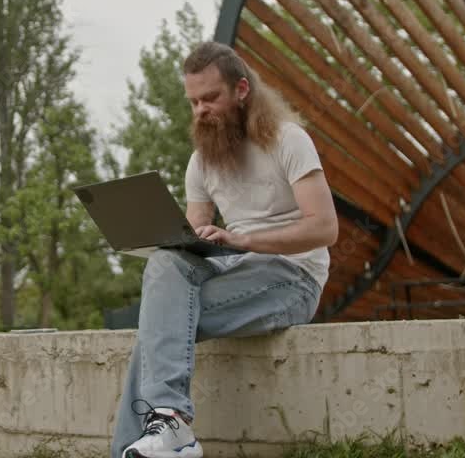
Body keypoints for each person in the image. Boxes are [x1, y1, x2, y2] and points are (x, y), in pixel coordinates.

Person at [111, 41, 338, 458]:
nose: (201, 110)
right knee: (165, 263)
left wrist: (243, 239)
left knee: (158, 331)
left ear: (241, 90)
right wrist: (154, 236)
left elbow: (325, 228)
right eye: (194, 102)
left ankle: (152, 438)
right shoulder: (200, 162)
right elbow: (189, 245)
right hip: (236, 271)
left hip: (294, 279)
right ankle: (169, 429)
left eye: (210, 98)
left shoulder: (289, 140)